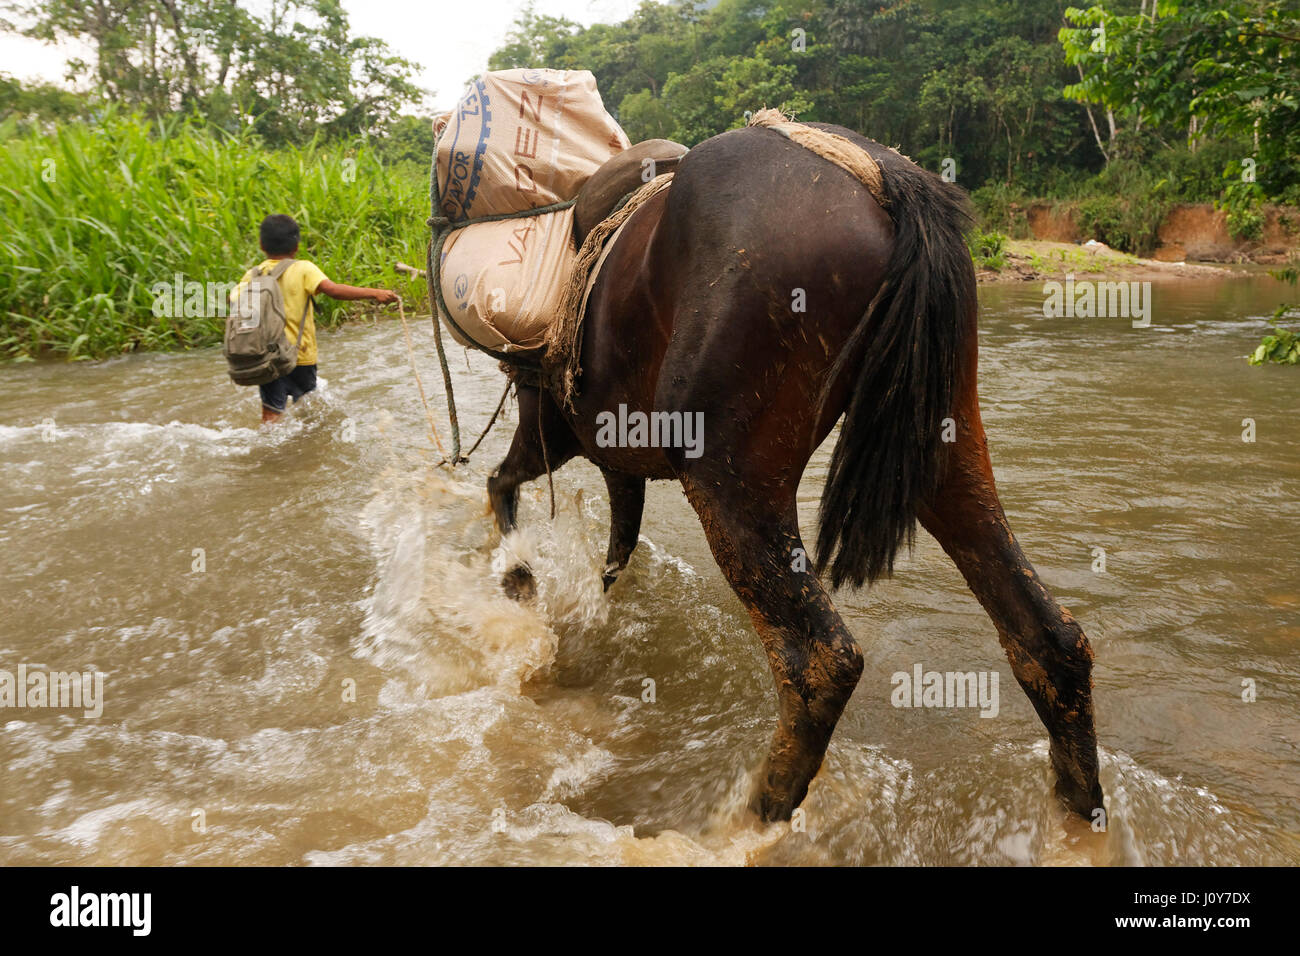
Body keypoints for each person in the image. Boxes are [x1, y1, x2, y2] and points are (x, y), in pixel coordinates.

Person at [233, 214, 397, 423]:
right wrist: (374, 293)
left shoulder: (253, 274)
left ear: (261, 244)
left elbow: (235, 302)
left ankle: (272, 452)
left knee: (271, 416)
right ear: (296, 246)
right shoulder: (303, 268)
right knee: (309, 412)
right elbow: (334, 291)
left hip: (268, 358)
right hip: (300, 356)